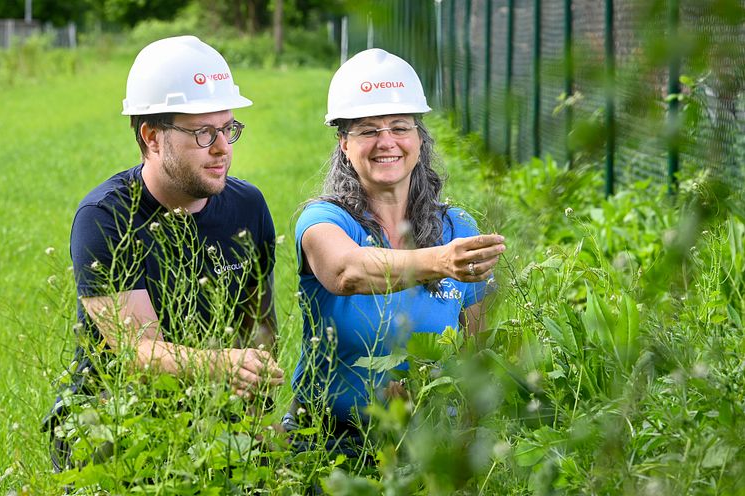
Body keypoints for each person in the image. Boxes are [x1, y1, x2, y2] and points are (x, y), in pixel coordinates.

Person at [45, 35, 283, 472]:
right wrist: (226, 366)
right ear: (152, 137)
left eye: (228, 128)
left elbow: (260, 329)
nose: (222, 148)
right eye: (203, 132)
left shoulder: (248, 207)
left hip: (213, 408)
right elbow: (138, 352)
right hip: (113, 413)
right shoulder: (106, 217)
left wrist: (254, 418)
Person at [286, 49, 506, 444]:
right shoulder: (323, 221)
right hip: (328, 439)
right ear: (344, 144)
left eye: (400, 127)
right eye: (368, 130)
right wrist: (440, 261)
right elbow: (345, 271)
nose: (386, 141)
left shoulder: (456, 228)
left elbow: (476, 353)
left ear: (419, 140)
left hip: (427, 439)